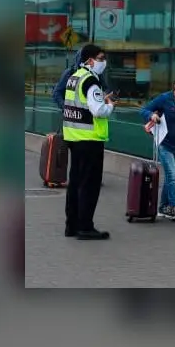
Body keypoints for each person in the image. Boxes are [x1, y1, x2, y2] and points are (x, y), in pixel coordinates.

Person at [62, 44, 116, 241]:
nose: (104, 62)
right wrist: (109, 106)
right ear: (90, 60)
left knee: (75, 183)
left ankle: (72, 225)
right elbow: (98, 110)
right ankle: (85, 227)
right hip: (89, 140)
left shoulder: (74, 78)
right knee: (89, 185)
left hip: (74, 138)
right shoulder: (91, 81)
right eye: (101, 58)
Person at [141, 73, 175, 220]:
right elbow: (144, 110)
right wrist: (151, 116)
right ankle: (173, 207)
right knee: (172, 175)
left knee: (170, 178)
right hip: (165, 143)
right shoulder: (165, 98)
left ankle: (163, 208)